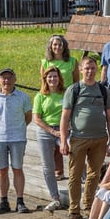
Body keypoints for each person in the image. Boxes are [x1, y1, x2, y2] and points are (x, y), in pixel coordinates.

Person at [60, 57, 110, 219]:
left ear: (96, 69)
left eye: (92, 68)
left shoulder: (103, 90)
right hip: (78, 138)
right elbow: (65, 116)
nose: (90, 71)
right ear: (81, 69)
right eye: (87, 68)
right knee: (75, 176)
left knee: (94, 175)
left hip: (100, 138)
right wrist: (63, 140)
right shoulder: (74, 89)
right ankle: (73, 211)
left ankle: (89, 208)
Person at [0, 69, 32, 214]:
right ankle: (4, 201)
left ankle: (20, 201)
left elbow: (28, 117)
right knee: (2, 170)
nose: (6, 81)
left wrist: (18, 128)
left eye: (9, 77)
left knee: (17, 169)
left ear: (15, 79)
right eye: (4, 78)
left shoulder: (23, 97)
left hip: (17, 138)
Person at [33, 67, 68, 211]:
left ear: (59, 78)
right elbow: (36, 118)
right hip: (45, 131)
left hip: (63, 129)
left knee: (75, 153)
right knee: (48, 166)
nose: (52, 79)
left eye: (55, 76)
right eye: (50, 77)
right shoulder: (40, 96)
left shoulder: (65, 93)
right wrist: (52, 131)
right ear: (45, 79)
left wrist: (63, 130)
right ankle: (55, 198)